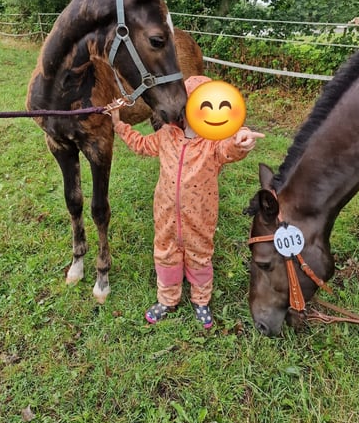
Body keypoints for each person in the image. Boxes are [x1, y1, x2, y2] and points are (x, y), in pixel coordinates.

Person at [110, 75, 264, 328]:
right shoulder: (166, 135)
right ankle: (168, 299)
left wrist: (241, 140)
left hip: (200, 216)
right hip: (165, 214)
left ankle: (201, 301)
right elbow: (140, 145)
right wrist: (118, 123)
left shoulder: (214, 143)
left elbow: (231, 149)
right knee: (166, 254)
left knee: (200, 256)